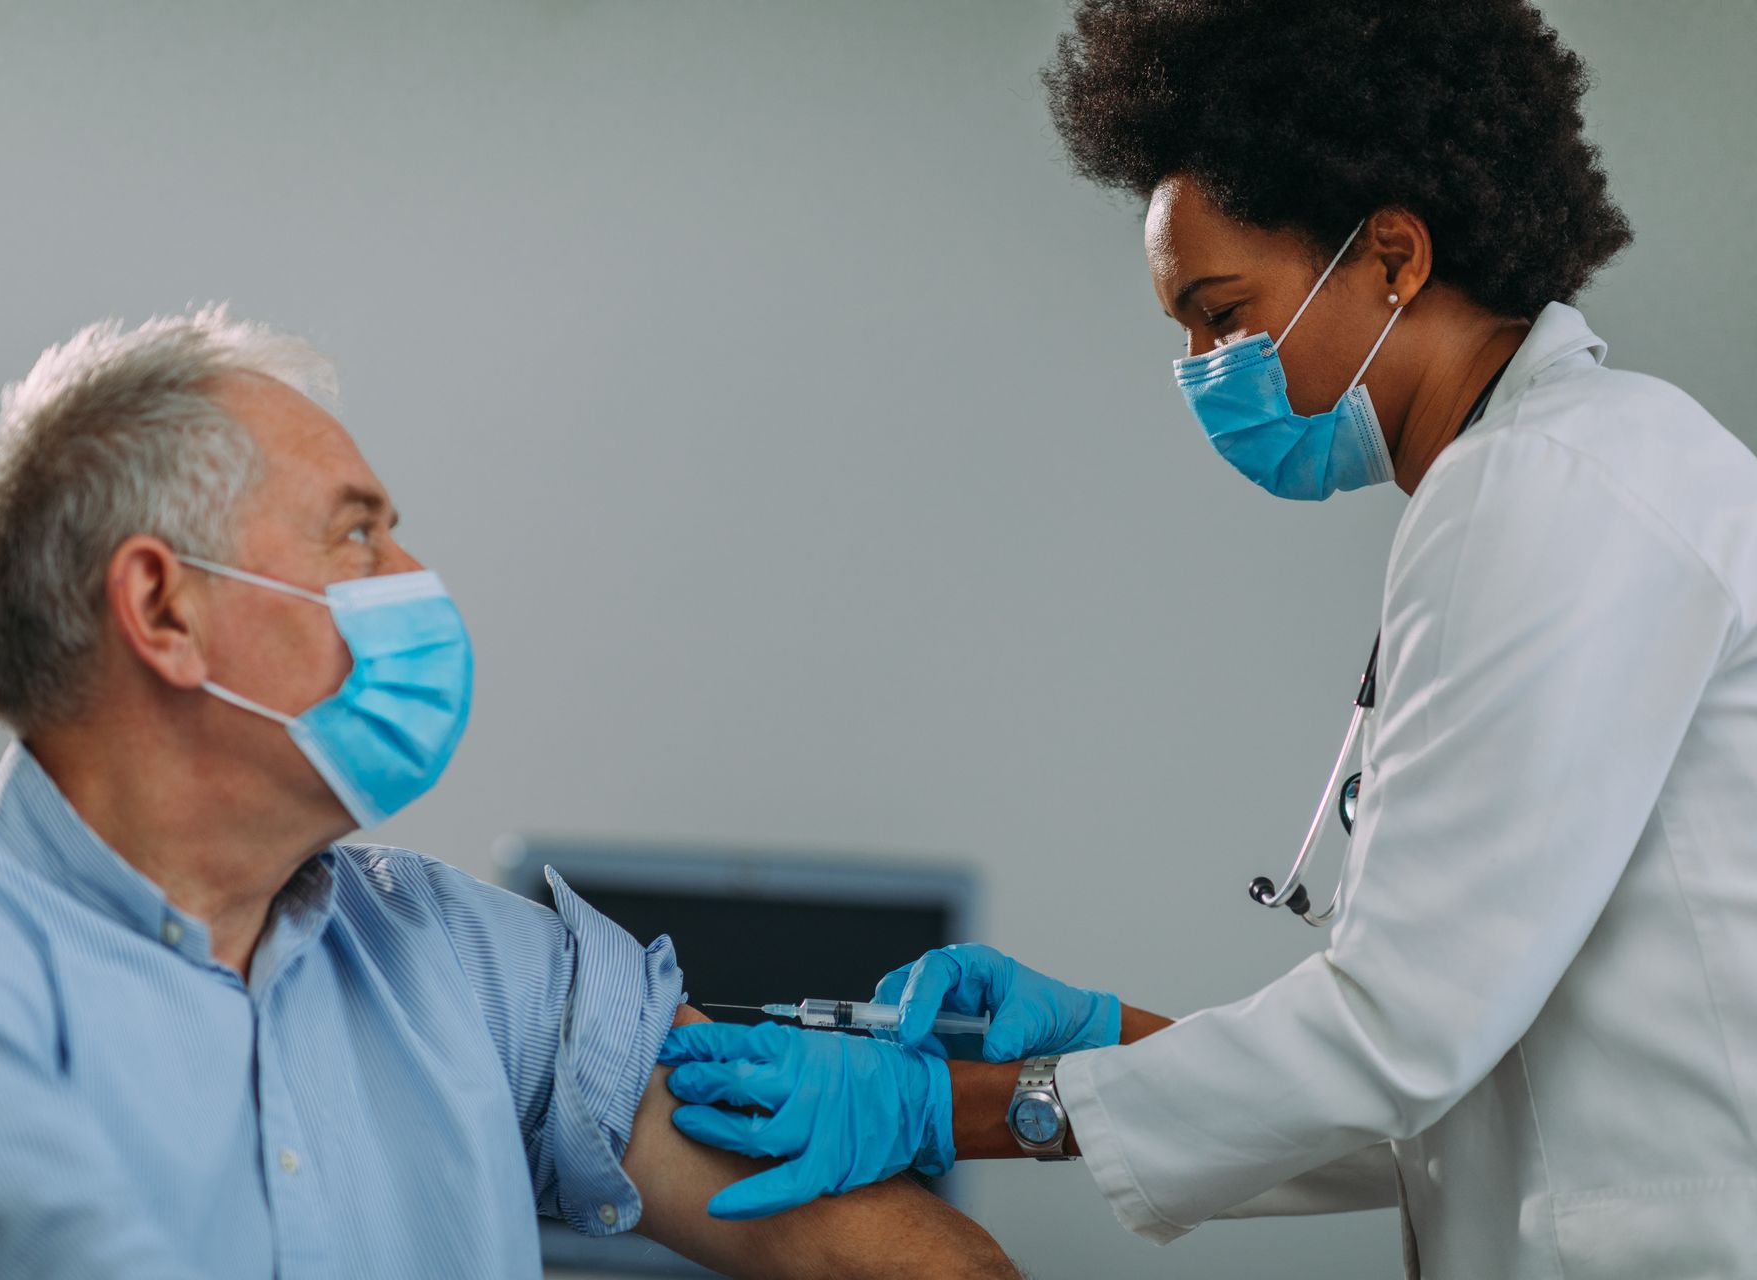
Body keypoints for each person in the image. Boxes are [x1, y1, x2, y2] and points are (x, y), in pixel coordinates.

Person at [658, 2, 1757, 1277]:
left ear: (1393, 253)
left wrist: (955, 1105)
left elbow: (1396, 1039)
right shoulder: (1567, 473)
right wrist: (1098, 1045)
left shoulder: (1552, 485)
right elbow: (1432, 1093)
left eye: (1225, 315)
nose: (1201, 368)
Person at [0, 309, 1018, 1280]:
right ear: (162, 609)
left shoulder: (460, 958)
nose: (416, 581)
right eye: (358, 535)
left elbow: (850, 1238)